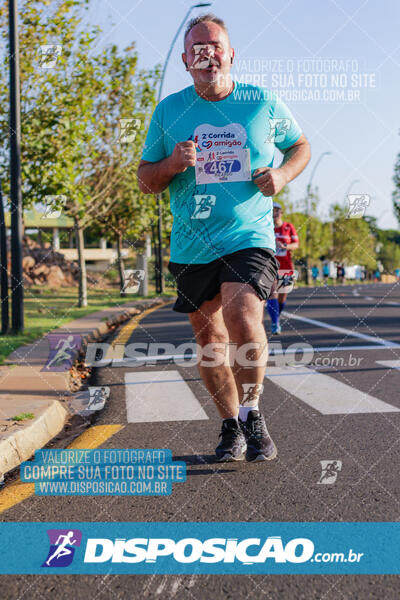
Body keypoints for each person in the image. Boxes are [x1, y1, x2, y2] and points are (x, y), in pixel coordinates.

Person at [137, 14, 310, 462]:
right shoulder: (168, 111)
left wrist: (283, 174)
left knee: (243, 314)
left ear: (231, 54)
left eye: (215, 44)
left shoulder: (261, 103)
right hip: (193, 243)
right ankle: (230, 425)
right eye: (198, 46)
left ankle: (253, 413)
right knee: (210, 342)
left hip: (247, 235)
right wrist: (172, 164)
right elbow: (145, 181)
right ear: (185, 60)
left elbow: (300, 146)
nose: (207, 52)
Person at [266, 203, 299, 334]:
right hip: (270, 265)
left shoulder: (288, 227)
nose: (275, 214)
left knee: (282, 297)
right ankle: (275, 323)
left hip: (286, 265)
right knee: (273, 293)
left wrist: (285, 246)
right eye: (272, 211)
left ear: (281, 213)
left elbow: (296, 244)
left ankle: (276, 317)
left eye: (277, 211)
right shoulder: (266, 227)